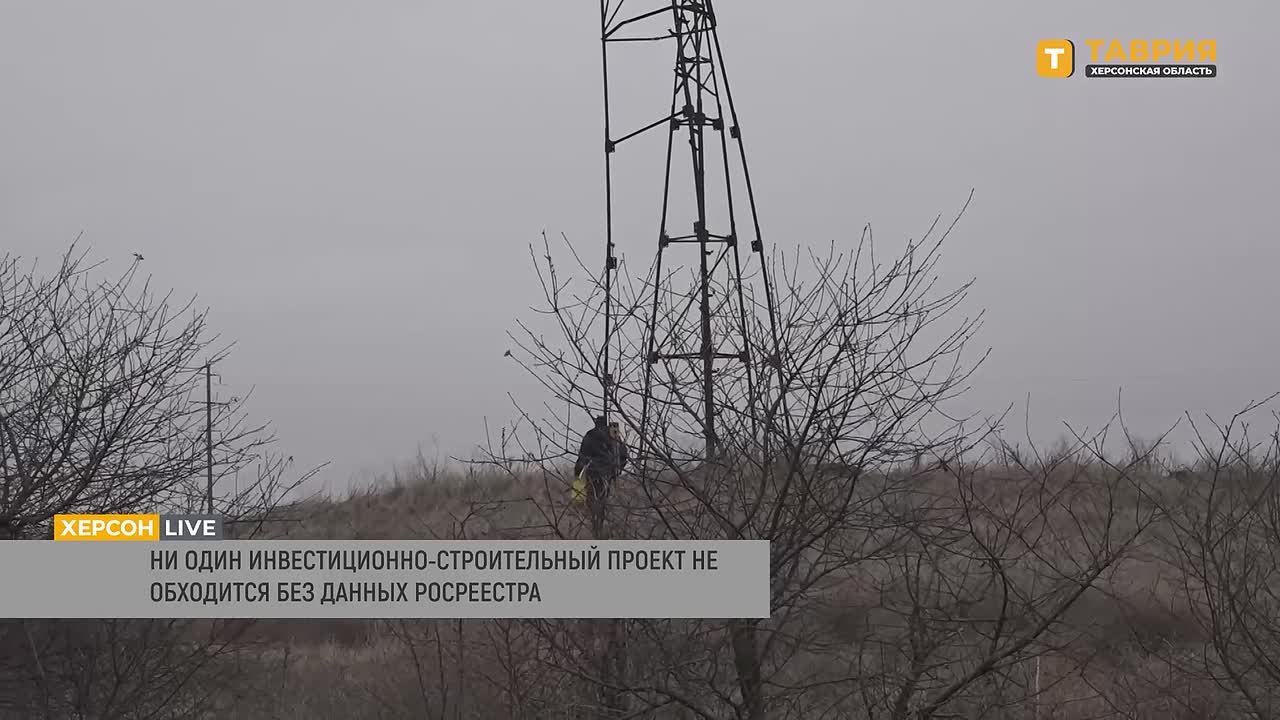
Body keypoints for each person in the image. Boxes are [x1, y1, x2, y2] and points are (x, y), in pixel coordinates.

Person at [574, 416, 629, 532]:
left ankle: (596, 525)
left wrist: (577, 474)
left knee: (593, 500)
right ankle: (603, 523)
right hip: (609, 474)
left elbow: (582, 457)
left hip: (593, 474)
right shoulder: (614, 436)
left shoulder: (590, 435)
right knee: (605, 499)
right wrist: (618, 470)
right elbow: (624, 455)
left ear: (596, 423)